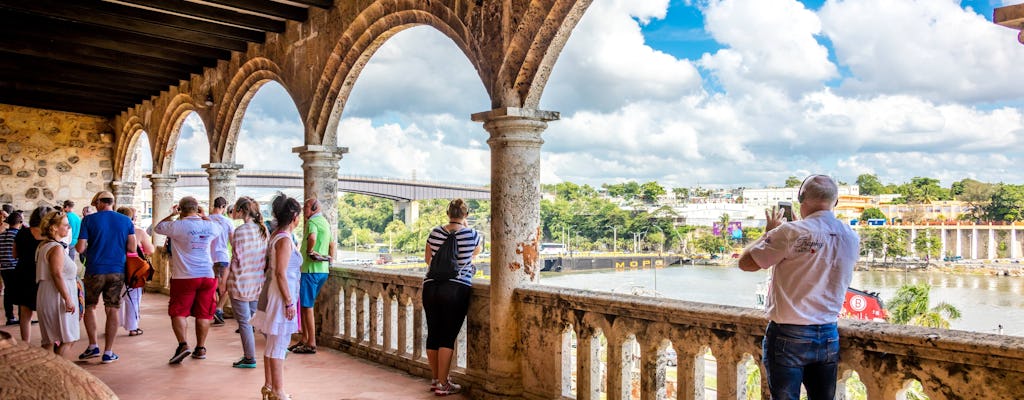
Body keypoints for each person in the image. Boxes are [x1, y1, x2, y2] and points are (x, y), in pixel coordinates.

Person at [738, 175, 860, 400]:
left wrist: (769, 234)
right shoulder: (851, 235)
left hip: (789, 335)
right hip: (828, 333)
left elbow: (745, 263)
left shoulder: (790, 233)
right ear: (836, 202)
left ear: (801, 199)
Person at [422, 198, 482, 396]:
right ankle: (443, 384)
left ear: (448, 213)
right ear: (466, 215)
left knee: (433, 333)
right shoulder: (473, 235)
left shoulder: (435, 232)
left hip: (430, 286)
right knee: (447, 336)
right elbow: (474, 255)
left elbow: (428, 259)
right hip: (456, 288)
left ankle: (436, 378)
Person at [154, 196, 222, 364]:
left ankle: (183, 345)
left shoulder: (177, 226)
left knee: (178, 311)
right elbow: (218, 228)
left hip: (185, 276)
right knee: (204, 314)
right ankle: (201, 348)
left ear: (181, 209)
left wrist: (172, 214)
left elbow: (157, 228)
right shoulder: (210, 226)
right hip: (207, 275)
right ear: (197, 209)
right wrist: (204, 216)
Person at [76, 191, 137, 364]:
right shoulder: (126, 220)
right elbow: (132, 248)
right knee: (112, 309)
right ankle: (108, 352)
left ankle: (93, 345)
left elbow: (80, 248)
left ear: (99, 202)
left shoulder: (88, 220)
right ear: (112, 202)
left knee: (90, 306)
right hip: (117, 270)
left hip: (94, 269)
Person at [251, 194, 302, 400]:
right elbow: (281, 273)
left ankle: (269, 386)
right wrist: (289, 302)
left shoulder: (277, 235)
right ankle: (279, 392)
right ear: (295, 216)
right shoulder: (284, 239)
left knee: (273, 343)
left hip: (278, 293)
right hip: (282, 296)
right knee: (280, 343)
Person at [226, 196, 269, 369]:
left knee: (244, 323)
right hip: (257, 281)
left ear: (242, 211)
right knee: (258, 318)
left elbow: (236, 257)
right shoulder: (263, 230)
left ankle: (249, 358)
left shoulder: (240, 231)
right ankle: (277, 345)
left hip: (240, 281)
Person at [291, 196, 335, 354]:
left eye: (307, 207)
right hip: (322, 270)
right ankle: (304, 338)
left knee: (307, 306)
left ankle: (311, 342)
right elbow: (331, 244)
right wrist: (330, 261)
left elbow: (312, 237)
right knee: (305, 305)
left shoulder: (312, 223)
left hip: (310, 270)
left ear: (315, 207)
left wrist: (309, 251)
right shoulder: (325, 222)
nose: (304, 210)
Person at [35, 210, 80, 355]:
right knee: (68, 338)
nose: (69, 228)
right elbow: (57, 274)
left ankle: (47, 373)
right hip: (57, 295)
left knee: (50, 340)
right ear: (54, 227)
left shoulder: (44, 245)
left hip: (48, 292)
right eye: (66, 225)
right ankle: (59, 373)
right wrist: (68, 299)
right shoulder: (56, 248)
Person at [13, 206, 53, 343]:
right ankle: (48, 340)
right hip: (42, 273)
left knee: (25, 312)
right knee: (46, 309)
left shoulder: (22, 233)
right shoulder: (49, 235)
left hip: (23, 272)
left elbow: (15, 254)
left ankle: (26, 342)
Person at [117, 206, 156, 337]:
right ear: (133, 218)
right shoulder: (138, 232)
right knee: (133, 298)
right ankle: (133, 327)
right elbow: (150, 250)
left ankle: (113, 323)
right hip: (133, 268)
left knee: (115, 297)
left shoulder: (113, 231)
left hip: (115, 266)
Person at [209, 196, 235, 327]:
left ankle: (215, 310)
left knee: (213, 286)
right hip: (223, 257)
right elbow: (232, 241)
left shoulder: (207, 219)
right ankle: (219, 309)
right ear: (223, 207)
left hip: (209, 258)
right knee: (226, 287)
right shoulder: (228, 221)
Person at [1, 211, 23, 325]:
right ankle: (22, 317)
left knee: (8, 292)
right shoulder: (18, 235)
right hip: (15, 267)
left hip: (4, 268)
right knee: (20, 292)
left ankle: (10, 317)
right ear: (19, 222)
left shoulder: (2, 235)